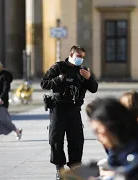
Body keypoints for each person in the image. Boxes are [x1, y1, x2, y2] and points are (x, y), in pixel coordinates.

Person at [40, 45, 98, 179]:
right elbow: (43, 83)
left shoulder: (83, 70)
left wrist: (89, 78)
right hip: (58, 108)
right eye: (78, 56)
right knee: (55, 139)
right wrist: (59, 79)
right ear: (71, 55)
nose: (81, 59)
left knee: (76, 141)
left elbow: (94, 88)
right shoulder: (58, 67)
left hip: (74, 109)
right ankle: (59, 169)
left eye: (83, 57)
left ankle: (75, 168)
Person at [87, 98, 138, 180]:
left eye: (97, 131)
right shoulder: (121, 146)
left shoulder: (135, 154)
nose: (98, 137)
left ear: (110, 126)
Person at [0, 61, 22, 142]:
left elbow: (6, 88)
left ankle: (16, 130)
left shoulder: (4, 76)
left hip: (1, 101)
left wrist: (1, 98)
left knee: (4, 119)